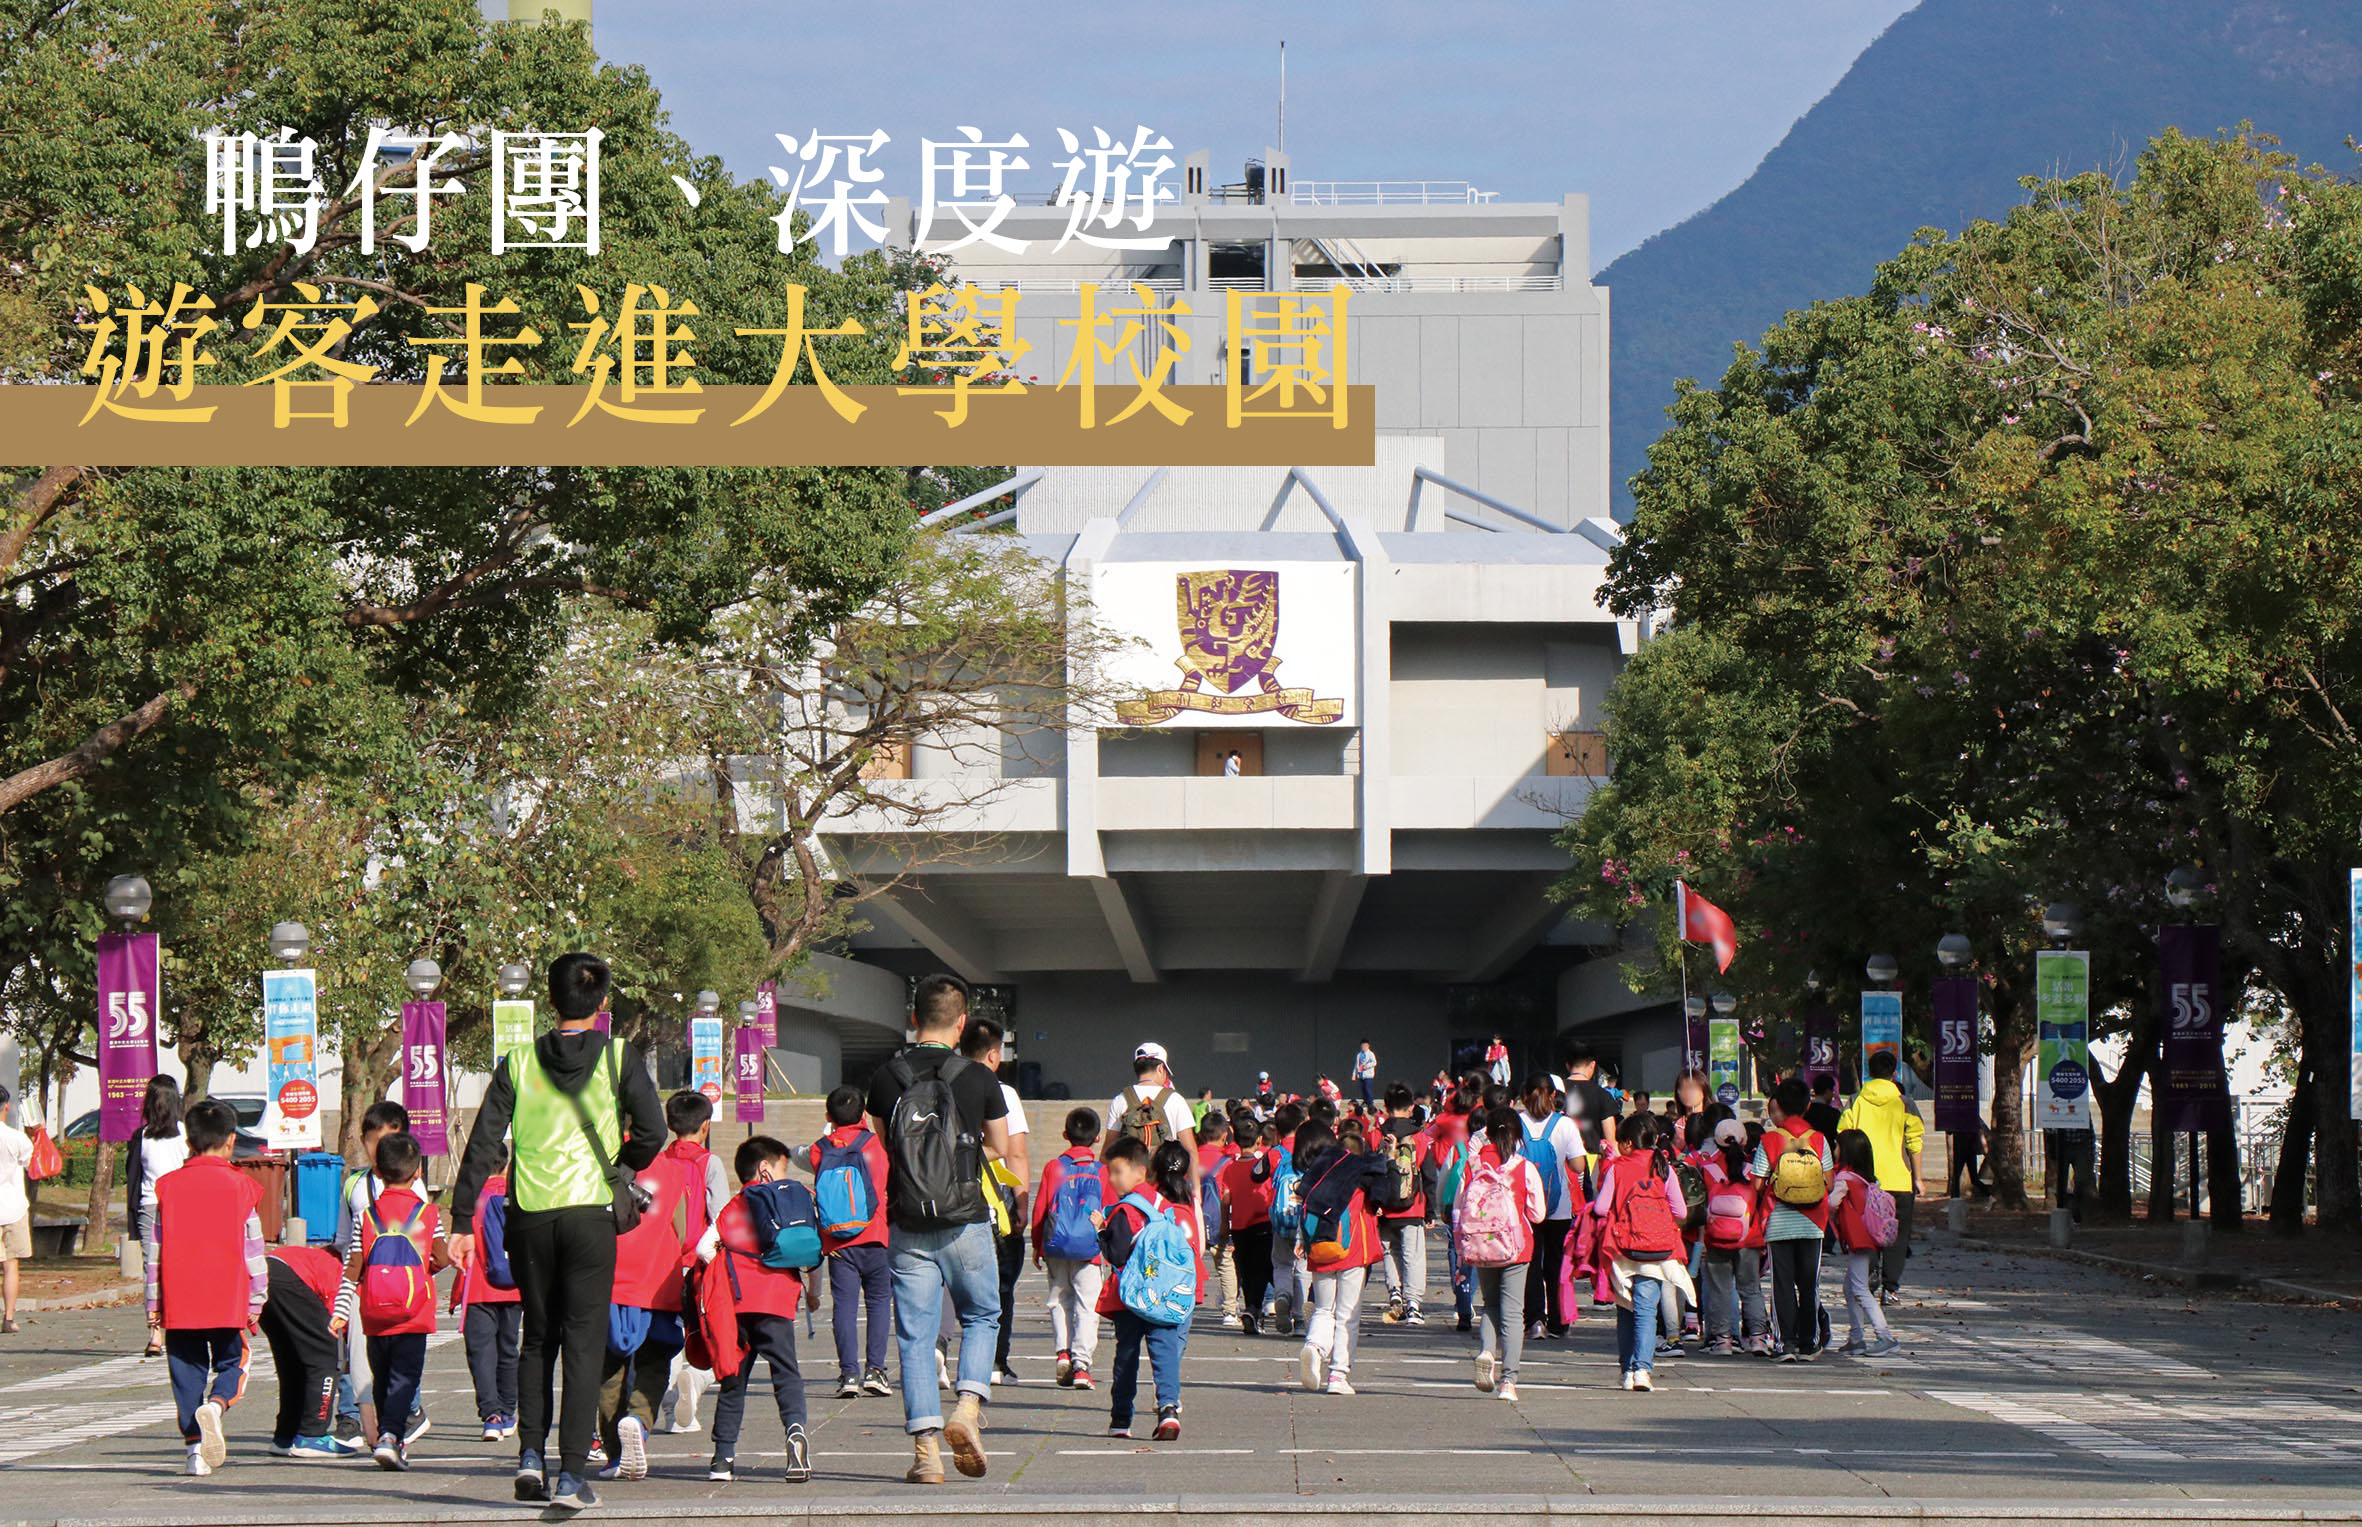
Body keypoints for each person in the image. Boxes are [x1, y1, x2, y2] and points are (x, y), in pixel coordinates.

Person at [449, 952, 665, 1514]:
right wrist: (622, 1168)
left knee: (537, 1339)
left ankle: (529, 1457)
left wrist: (461, 1219)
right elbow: (653, 1130)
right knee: (584, 1343)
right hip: (590, 1214)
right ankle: (571, 1474)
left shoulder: (519, 1062)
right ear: (603, 1003)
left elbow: (483, 1142)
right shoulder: (619, 1056)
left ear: (550, 1000)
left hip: (531, 1215)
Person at [863, 973, 1013, 1485]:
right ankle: (967, 1407)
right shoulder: (979, 1078)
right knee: (983, 1315)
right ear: (962, 1021)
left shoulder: (886, 1077)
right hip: (964, 1219)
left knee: (915, 1335)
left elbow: (886, 1145)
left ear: (913, 1018)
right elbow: (1000, 1145)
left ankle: (926, 1453)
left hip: (907, 1221)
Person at [598, 1089, 713, 1481]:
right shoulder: (676, 1170)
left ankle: (614, 1455)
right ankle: (639, 1419)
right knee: (654, 1361)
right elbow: (686, 1235)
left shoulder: (601, 1166)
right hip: (658, 1282)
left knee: (609, 1370)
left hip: (608, 1282)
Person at [149, 1096, 265, 1478]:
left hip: (180, 1301)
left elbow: (155, 1254)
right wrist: (257, 1297)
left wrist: (153, 1303)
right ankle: (216, 1405)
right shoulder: (243, 1187)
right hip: (228, 1299)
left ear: (189, 1142)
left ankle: (194, 1452)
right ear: (231, 1140)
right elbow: (254, 1250)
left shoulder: (167, 1188)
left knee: (186, 1374)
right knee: (234, 1362)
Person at [698, 1135, 821, 1484]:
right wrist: (814, 1294)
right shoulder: (791, 1201)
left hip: (736, 1303)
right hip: (776, 1301)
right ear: (765, 1168)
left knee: (733, 1380)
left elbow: (703, 1249)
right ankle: (795, 1431)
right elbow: (812, 1251)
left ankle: (722, 1459)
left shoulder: (733, 1206)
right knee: (786, 1373)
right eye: (782, 1169)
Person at [339, 1129, 445, 1471]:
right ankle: (390, 1437)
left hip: (374, 1311)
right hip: (413, 1312)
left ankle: (389, 1439)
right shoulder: (428, 1214)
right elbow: (442, 1257)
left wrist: (341, 1307)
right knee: (404, 1378)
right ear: (418, 1172)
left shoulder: (366, 1216)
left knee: (382, 1377)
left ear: (378, 1171)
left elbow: (354, 1265)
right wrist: (421, 1268)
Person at [1095, 1135, 1188, 1440]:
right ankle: (1169, 1409)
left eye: (1117, 1171)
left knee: (1127, 1356)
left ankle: (1121, 1419)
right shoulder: (1163, 1204)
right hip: (1164, 1291)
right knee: (1165, 1353)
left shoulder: (1124, 1210)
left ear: (1139, 1172)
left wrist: (1101, 1231)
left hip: (1131, 1297)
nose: (1112, 1179)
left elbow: (1117, 1253)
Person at [1291, 1117, 1390, 1397]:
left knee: (1324, 1309)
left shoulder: (1320, 1172)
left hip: (1320, 1248)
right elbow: (1385, 1194)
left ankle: (1314, 1347)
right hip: (1352, 1251)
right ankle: (1338, 1374)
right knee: (1347, 1315)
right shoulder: (1363, 1172)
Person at [1593, 1112, 1691, 1392]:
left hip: (1623, 1248)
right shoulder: (1664, 1167)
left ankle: (1627, 1371)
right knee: (1647, 1311)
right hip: (1657, 1249)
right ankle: (1642, 1371)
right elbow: (1681, 1211)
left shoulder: (1618, 1167)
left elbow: (1600, 1208)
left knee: (1626, 1310)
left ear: (1627, 1143)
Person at [1456, 1105, 1547, 1402]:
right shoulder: (1523, 1167)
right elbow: (1538, 1214)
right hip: (1516, 1248)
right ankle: (1509, 1380)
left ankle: (1486, 1351)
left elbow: (1459, 1206)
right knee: (1513, 1313)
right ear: (1517, 1134)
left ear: (1488, 1133)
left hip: (1481, 1245)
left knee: (1490, 1305)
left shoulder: (1473, 1165)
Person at [809, 1083, 893, 1400]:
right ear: (864, 1115)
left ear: (828, 1116)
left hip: (838, 1242)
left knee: (844, 1308)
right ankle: (875, 1370)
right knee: (878, 1302)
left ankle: (849, 1374)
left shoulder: (819, 1149)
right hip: (875, 1235)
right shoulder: (875, 1145)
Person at [959, 1018, 1030, 1386]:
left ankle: (941, 1348)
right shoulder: (1003, 1093)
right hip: (993, 1200)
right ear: (992, 1055)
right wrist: (1022, 1205)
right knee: (1000, 1284)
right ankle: (995, 1361)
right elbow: (1015, 1153)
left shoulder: (944, 1084)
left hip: (948, 1193)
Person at [1751, 1077, 1833, 1362]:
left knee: (1782, 1283)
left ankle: (1785, 1343)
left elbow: (1757, 1184)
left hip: (1779, 1222)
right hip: (1813, 1223)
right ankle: (1809, 1343)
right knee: (1809, 1284)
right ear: (1807, 1106)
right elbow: (1829, 1182)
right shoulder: (1819, 1139)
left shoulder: (1769, 1140)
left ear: (1779, 1107)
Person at [1838, 1050, 1925, 1301]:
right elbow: (1914, 1142)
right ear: (1894, 1073)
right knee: (1898, 1234)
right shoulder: (1905, 1103)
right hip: (1899, 1180)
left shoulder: (1855, 1100)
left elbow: (1843, 1136)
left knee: (1867, 1230)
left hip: (1863, 1182)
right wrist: (1918, 1178)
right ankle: (1891, 1288)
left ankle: (1870, 1275)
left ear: (1869, 1071)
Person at [1034, 1107, 1107, 1387]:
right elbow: (1109, 1210)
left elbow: (1041, 1209)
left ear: (1065, 1134)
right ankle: (1081, 1365)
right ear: (1097, 1138)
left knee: (1058, 1299)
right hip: (1089, 1249)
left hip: (1056, 1244)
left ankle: (1062, 1352)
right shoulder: (1101, 1171)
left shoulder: (1054, 1167)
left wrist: (1038, 1245)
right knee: (1087, 1305)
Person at [453, 1153, 522, 1441]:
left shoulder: (469, 1201)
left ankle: (491, 1414)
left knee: (481, 1353)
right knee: (508, 1349)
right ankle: (508, 1411)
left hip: (477, 1287)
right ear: (505, 1166)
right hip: (514, 1285)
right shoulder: (517, 1195)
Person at [258, 1241, 346, 1459]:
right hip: (290, 1277)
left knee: (292, 1360)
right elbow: (335, 1315)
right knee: (326, 1355)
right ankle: (312, 1434)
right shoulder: (347, 1270)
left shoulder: (324, 1255)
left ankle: (285, 1436)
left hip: (267, 1274)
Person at [1696, 1116, 1770, 1355]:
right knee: (1751, 1289)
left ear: (1716, 1142)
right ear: (1744, 1140)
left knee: (1720, 1290)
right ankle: (1758, 1338)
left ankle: (1723, 1340)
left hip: (1716, 1238)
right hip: (1749, 1238)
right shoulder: (1752, 1171)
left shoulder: (1707, 1169)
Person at [1516, 1078, 1583, 1339]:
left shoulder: (1515, 1122)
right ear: (1554, 1094)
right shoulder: (1565, 1124)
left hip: (1525, 1206)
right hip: (1559, 1206)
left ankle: (1534, 1320)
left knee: (1530, 1263)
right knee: (1555, 1264)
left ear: (1523, 1095)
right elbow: (1578, 1166)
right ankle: (1558, 1321)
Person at [1828, 1128, 1901, 1358]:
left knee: (1859, 1288)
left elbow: (1831, 1203)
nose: (1834, 1150)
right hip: (1867, 1237)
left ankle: (1885, 1336)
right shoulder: (1866, 1178)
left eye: (1837, 1146)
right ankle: (1856, 1337)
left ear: (1845, 1150)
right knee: (1850, 1287)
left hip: (1858, 1238)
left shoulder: (1844, 1178)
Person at [133, 1074, 188, 1358]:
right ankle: (164, 1330)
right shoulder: (180, 1135)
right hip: (165, 1206)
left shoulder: (177, 1134)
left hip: (162, 1206)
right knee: (168, 1268)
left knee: (156, 1269)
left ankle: (161, 1332)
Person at [1108, 1043, 1201, 1204]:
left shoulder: (1120, 1100)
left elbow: (1107, 1152)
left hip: (1131, 1193)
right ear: (1160, 1068)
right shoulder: (1175, 1099)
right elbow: (1191, 1151)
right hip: (1165, 1191)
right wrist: (1196, 1193)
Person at [1376, 1083, 1434, 1326]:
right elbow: (1429, 1175)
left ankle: (1395, 1293)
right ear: (1411, 1108)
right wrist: (1430, 1211)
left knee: (1390, 1251)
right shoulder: (1420, 1138)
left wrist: (1374, 1203)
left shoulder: (1376, 1135)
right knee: (1413, 1256)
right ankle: (1413, 1306)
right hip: (1413, 1207)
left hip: (1384, 1208)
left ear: (1385, 1107)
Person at [1219, 1121, 1276, 1337]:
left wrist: (1224, 1225)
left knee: (1245, 1270)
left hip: (1239, 1227)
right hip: (1263, 1223)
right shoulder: (1263, 1166)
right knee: (1262, 1268)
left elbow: (1226, 1199)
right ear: (1259, 1140)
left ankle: (1252, 1309)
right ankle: (1254, 1309)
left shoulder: (1230, 1169)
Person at [1195, 1112, 1243, 1325]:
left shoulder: (1191, 1157)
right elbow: (1229, 1193)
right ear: (1225, 1135)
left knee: (1188, 1262)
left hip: (1193, 1221)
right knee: (1225, 1265)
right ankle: (1230, 1311)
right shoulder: (1227, 1161)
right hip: (1218, 1220)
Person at [0, 1085, 32, 1334]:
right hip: (13, 1207)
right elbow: (33, 1166)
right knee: (11, 1265)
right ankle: (9, 1318)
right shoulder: (17, 1138)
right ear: (7, 1107)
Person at [1949, 1117, 1991, 1201]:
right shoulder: (1971, 1117)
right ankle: (1989, 1193)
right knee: (1972, 1178)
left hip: (1962, 1149)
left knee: (1958, 1177)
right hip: (1969, 1150)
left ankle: (1955, 1199)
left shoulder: (1959, 1118)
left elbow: (1949, 1131)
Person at [1805, 1073, 1845, 1141]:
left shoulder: (1805, 1111)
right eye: (1832, 1091)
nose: (1833, 1094)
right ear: (1827, 1091)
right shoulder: (1833, 1114)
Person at [1351, 1041, 1378, 1107]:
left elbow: (1374, 1062)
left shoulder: (1370, 1054)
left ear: (1368, 1046)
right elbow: (1356, 1065)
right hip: (1361, 1075)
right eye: (1362, 1046)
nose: (1363, 1047)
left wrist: (1367, 1066)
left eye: (1364, 1046)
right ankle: (1365, 1101)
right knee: (1363, 1089)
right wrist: (1354, 1074)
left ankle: (1370, 1103)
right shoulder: (1359, 1054)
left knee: (1367, 1088)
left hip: (1368, 1075)